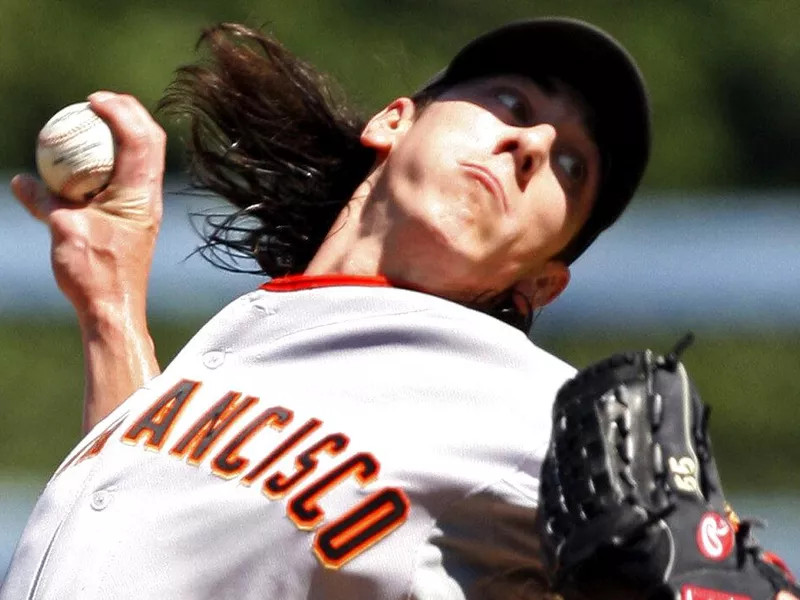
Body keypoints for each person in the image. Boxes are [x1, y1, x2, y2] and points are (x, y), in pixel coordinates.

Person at [2, 17, 651, 599]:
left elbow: (709, 570)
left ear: (541, 283)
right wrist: (109, 306)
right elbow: (143, 527)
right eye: (512, 101)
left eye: (572, 165)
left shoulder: (551, 411)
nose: (532, 144)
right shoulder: (261, 336)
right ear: (394, 121)